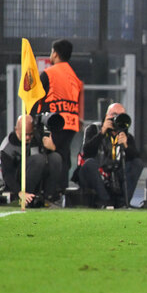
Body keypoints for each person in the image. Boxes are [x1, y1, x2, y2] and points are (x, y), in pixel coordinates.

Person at [36, 39, 84, 190]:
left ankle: (51, 192)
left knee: (51, 156)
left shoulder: (49, 74)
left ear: (55, 54)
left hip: (54, 122)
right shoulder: (74, 76)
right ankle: (61, 192)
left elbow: (36, 97)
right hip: (71, 123)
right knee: (63, 156)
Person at [77, 103, 143, 208]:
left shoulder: (126, 136)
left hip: (115, 176)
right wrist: (102, 133)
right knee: (89, 164)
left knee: (137, 163)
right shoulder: (94, 129)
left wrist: (125, 145)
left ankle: (123, 203)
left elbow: (135, 159)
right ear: (107, 116)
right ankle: (105, 202)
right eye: (114, 114)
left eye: (120, 115)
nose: (116, 118)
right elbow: (86, 152)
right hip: (96, 174)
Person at [0, 115, 62, 207]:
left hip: (36, 175)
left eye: (30, 134)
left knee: (55, 157)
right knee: (39, 159)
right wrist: (20, 192)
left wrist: (53, 148)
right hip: (16, 181)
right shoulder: (6, 148)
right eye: (24, 134)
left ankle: (49, 198)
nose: (28, 137)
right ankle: (27, 198)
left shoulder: (36, 137)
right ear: (16, 130)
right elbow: (7, 175)